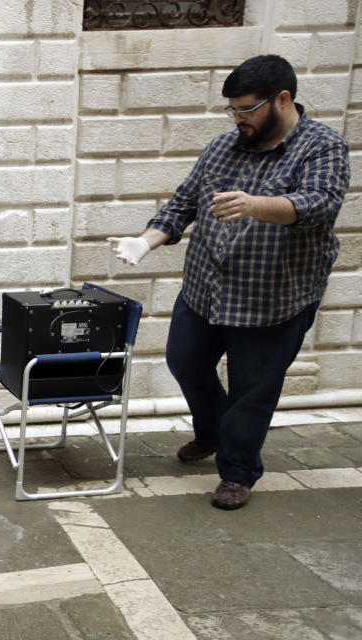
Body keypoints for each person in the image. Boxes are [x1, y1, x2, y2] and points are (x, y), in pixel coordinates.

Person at [108, 55, 349, 510]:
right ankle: (213, 432)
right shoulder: (222, 147)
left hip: (273, 298)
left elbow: (319, 204)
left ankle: (238, 471)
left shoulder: (322, 147)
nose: (238, 119)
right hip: (206, 290)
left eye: (247, 109)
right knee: (185, 362)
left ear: (283, 99)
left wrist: (257, 204)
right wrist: (145, 241)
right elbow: (184, 203)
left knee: (252, 389)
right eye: (232, 110)